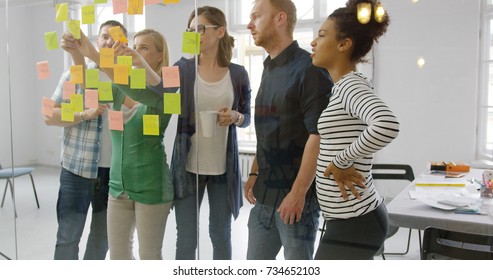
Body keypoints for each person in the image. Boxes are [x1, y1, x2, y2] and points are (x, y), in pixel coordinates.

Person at [70, 28, 174, 259]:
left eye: (144, 48)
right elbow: (87, 86)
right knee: (118, 257)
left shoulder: (167, 90)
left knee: (149, 257)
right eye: (134, 46)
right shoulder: (118, 89)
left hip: (152, 188)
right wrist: (77, 53)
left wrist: (94, 53)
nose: (135, 51)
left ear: (160, 55)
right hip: (117, 189)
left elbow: (142, 90)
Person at [310, 0, 400, 259]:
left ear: (343, 44)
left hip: (356, 221)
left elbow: (387, 124)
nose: (313, 43)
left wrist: (340, 160)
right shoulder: (343, 87)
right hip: (349, 219)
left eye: (322, 35)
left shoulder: (350, 85)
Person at [244, 0, 333, 260]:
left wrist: (298, 193)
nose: (250, 24)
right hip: (264, 196)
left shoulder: (310, 69)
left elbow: (318, 136)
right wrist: (254, 171)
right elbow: (268, 128)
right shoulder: (268, 68)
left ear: (280, 18)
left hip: (296, 202)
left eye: (256, 17)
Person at [170, 6, 251, 260]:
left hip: (222, 169)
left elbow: (247, 117)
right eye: (191, 30)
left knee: (220, 233)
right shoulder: (183, 69)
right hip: (187, 166)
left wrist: (235, 117)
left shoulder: (238, 74)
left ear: (220, 31)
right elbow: (157, 91)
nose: (195, 34)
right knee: (186, 236)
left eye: (200, 29)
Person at [44, 20, 127, 260]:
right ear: (96, 42)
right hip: (76, 170)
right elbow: (50, 115)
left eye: (116, 36)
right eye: (104, 36)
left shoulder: (129, 78)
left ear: (125, 44)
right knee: (68, 237)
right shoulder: (75, 72)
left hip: (114, 174)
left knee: (102, 239)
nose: (110, 41)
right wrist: (83, 114)